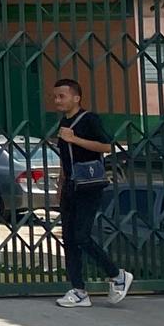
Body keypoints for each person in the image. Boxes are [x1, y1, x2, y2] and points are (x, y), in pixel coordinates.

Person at [49, 77, 132, 308]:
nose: (57, 100)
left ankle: (117, 275)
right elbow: (67, 159)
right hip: (70, 187)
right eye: (55, 96)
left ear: (76, 97)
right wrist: (61, 185)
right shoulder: (63, 123)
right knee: (69, 239)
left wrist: (75, 139)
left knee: (82, 236)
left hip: (89, 186)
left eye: (62, 96)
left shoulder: (89, 120)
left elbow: (107, 146)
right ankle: (78, 291)